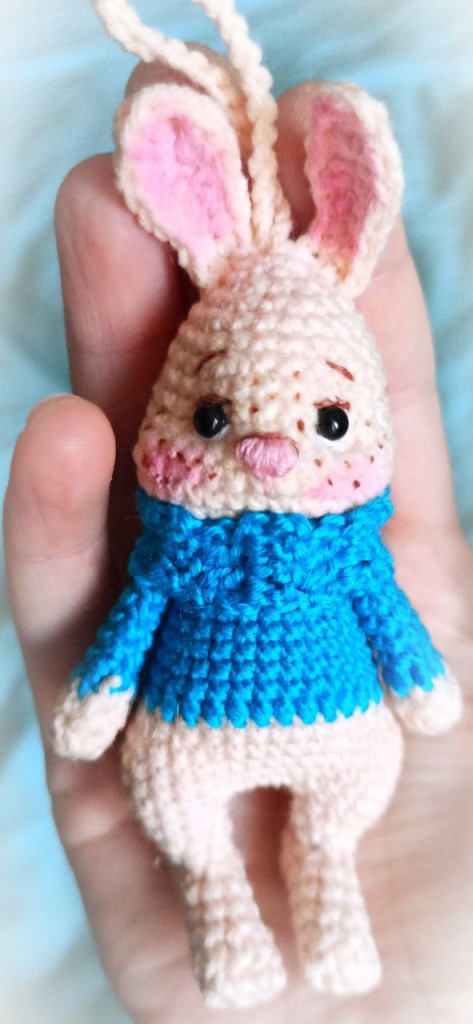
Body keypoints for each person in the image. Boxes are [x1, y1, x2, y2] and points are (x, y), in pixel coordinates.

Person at [4, 51, 473, 1024]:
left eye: (328, 423)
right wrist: (99, 695)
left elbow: (383, 608)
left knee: (357, 781)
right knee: (169, 794)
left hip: (341, 722)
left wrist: (421, 679)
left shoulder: (347, 553)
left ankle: (325, 864)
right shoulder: (173, 554)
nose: (268, 453)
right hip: (190, 723)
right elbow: (134, 618)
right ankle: (213, 888)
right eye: (212, 420)